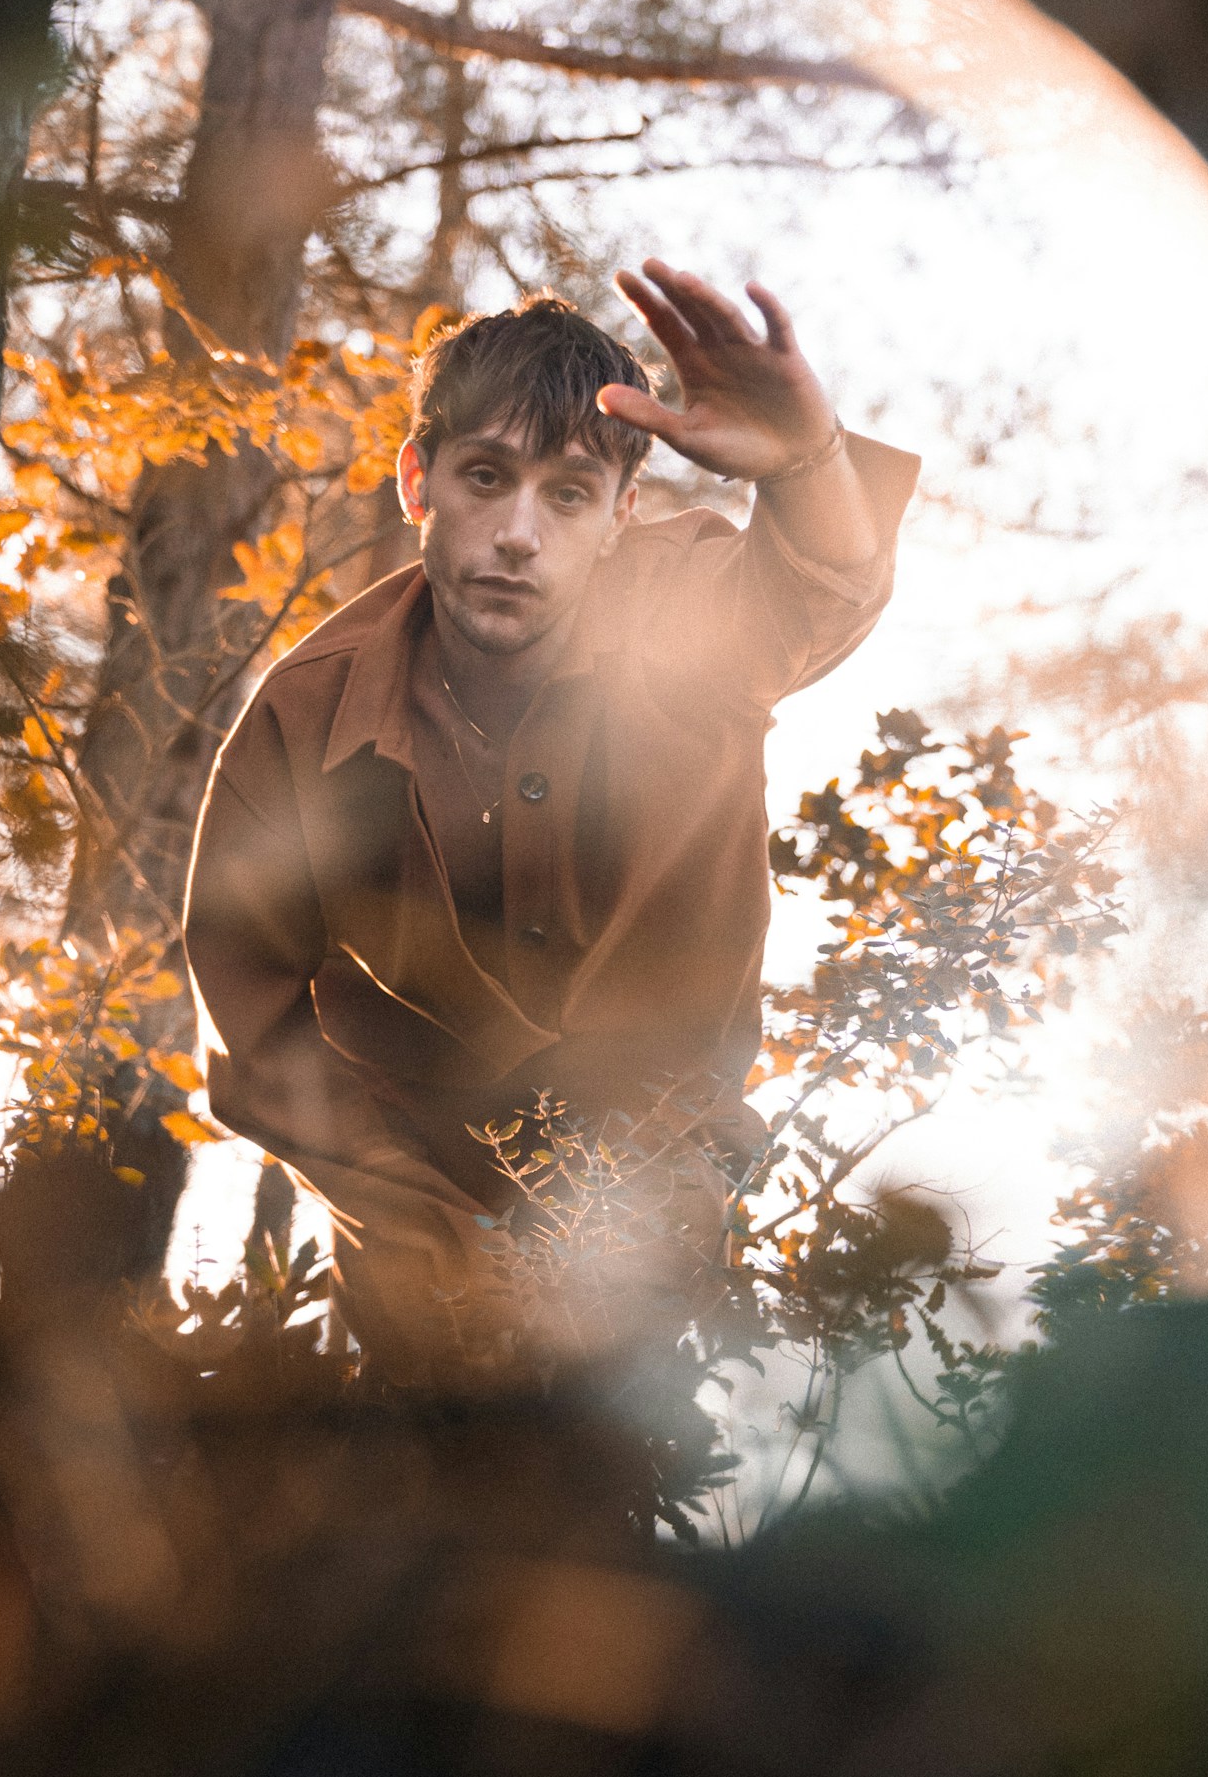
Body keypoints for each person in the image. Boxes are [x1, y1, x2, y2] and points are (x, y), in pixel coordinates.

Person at [183, 262, 919, 1380]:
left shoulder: (683, 619)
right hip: (409, 1234)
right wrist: (424, 1231)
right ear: (416, 484)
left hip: (652, 1198)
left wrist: (810, 463)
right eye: (487, 477)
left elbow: (816, 597)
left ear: (624, 516)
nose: (519, 533)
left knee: (605, 1509)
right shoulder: (307, 713)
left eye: (569, 495)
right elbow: (251, 1003)